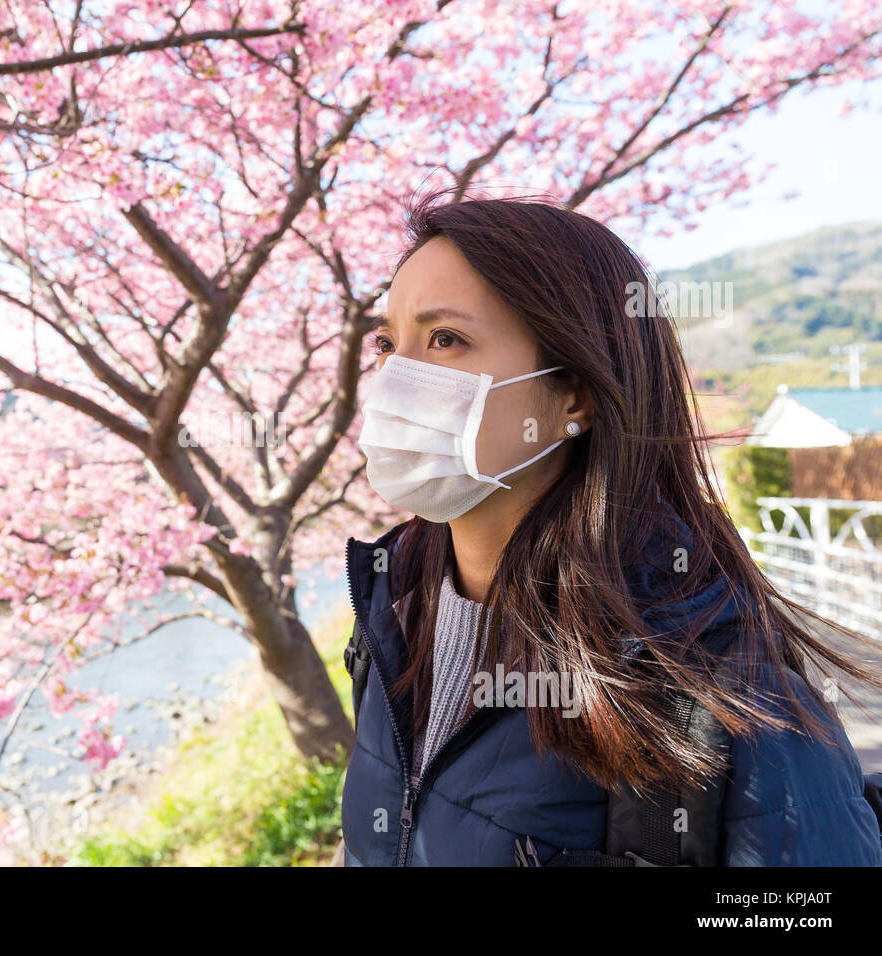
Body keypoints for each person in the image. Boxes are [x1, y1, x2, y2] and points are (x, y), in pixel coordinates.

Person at [339, 192, 882, 866]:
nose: (394, 378)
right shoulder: (390, 619)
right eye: (387, 343)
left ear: (575, 395)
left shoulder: (716, 686)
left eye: (445, 339)